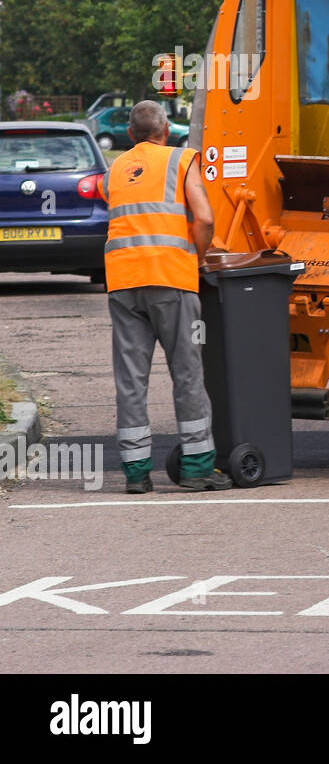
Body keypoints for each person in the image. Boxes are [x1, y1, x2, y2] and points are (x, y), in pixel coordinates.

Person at [102, 101, 229, 493]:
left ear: (129, 135)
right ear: (164, 131)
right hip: (171, 280)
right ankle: (197, 468)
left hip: (123, 283)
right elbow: (204, 218)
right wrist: (200, 257)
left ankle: (136, 473)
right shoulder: (181, 159)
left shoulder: (115, 170)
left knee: (131, 380)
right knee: (187, 372)